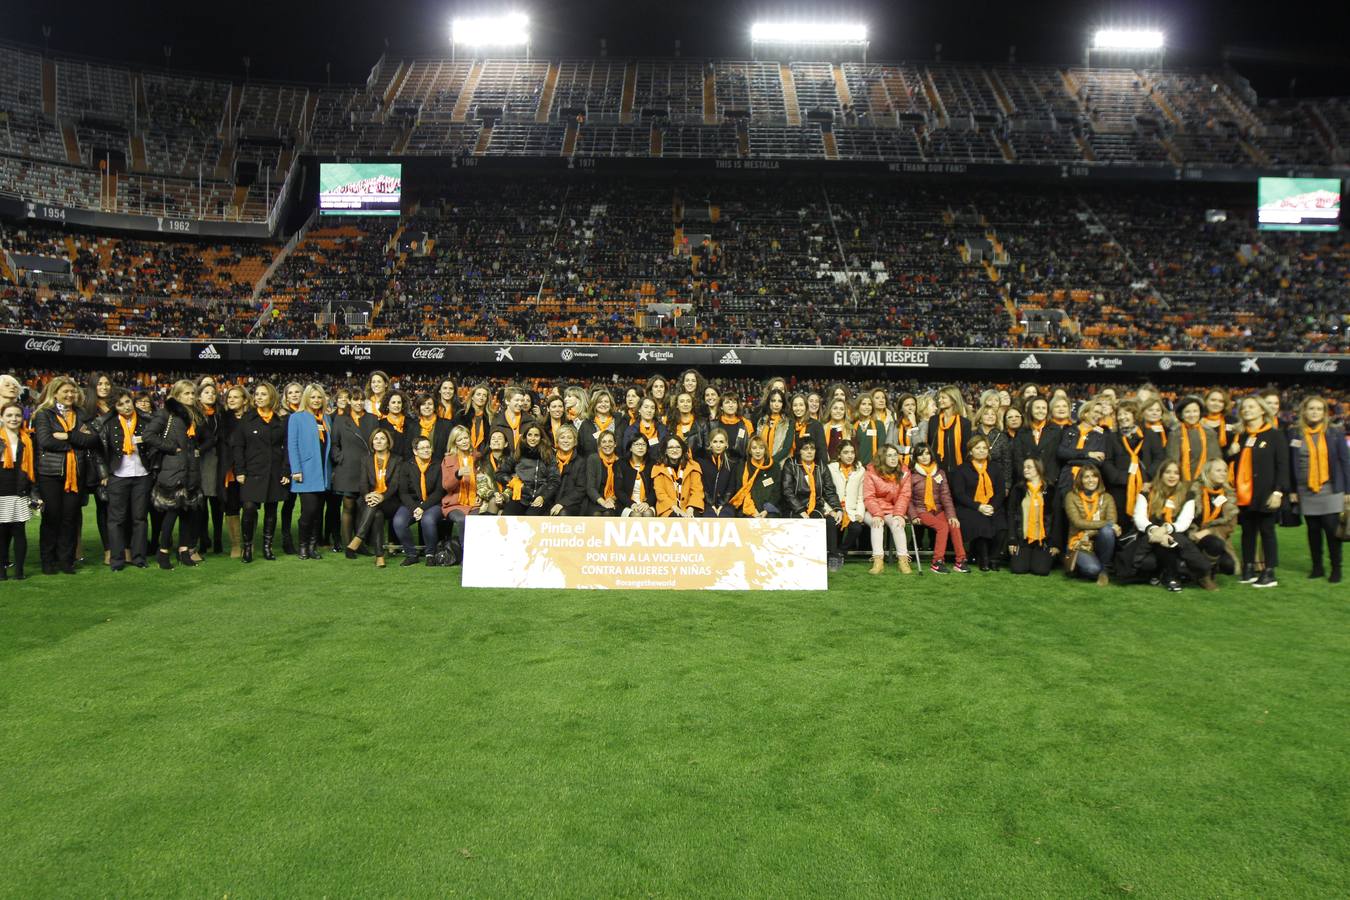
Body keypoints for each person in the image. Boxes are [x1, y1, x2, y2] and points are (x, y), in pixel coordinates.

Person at [32, 376, 100, 574]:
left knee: (70, 518)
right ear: (55, 393)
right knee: (52, 517)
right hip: (50, 473)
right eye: (65, 392)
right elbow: (46, 441)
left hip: (76, 473)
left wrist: (68, 436)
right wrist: (78, 441)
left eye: (73, 391)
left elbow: (93, 440)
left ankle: (66, 561)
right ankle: (48, 561)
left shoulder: (81, 413)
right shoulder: (44, 414)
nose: (70, 395)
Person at [1228, 395, 1289, 588]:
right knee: (1247, 532)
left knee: (1267, 531)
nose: (1247, 410)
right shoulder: (1241, 436)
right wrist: (1230, 453)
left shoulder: (1274, 435)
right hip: (1244, 494)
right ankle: (1248, 568)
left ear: (1262, 410)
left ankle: (1269, 571)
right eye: (1244, 407)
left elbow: (1283, 466)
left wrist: (1278, 492)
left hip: (1266, 493)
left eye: (1251, 407)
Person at [144, 379, 206, 569]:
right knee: (171, 513)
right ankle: (163, 552)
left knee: (188, 513)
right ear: (177, 395)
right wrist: (171, 448)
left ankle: (184, 550)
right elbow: (148, 435)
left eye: (192, 393)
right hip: (173, 470)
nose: (190, 397)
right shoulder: (166, 413)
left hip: (191, 470)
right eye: (186, 393)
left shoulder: (195, 414)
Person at [1130, 459, 1215, 592]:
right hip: (1150, 537)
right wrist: (1154, 530)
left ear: (1180, 476)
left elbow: (1184, 522)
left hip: (1176, 536)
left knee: (1170, 541)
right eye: (1168, 472)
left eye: (1176, 473)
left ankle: (1171, 576)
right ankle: (1180, 574)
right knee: (1149, 562)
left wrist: (1165, 529)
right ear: (1161, 474)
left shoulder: (1188, 495)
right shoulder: (1146, 492)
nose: (1172, 476)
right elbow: (1139, 518)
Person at [1289, 395, 1347, 583]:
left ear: (1325, 413)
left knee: (1332, 530)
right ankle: (1317, 567)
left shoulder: (1335, 432)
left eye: (1319, 409)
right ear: (1304, 411)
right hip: (1305, 490)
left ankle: (1336, 568)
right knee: (1313, 530)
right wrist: (1292, 489)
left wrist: (1348, 491)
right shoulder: (1295, 433)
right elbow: (1292, 463)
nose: (1315, 412)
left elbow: (1345, 462)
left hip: (1330, 488)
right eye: (1311, 408)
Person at [232, 382, 290, 563]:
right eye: (257, 394)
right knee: (249, 508)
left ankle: (267, 547)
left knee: (271, 510)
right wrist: (240, 471)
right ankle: (247, 547)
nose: (258, 397)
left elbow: (286, 448)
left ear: (271, 397)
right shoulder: (246, 420)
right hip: (251, 472)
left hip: (274, 472)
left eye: (263, 394)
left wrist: (286, 471)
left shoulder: (279, 421)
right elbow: (238, 447)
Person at [98, 389, 152, 571]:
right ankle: (117, 560)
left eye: (128, 401)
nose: (126, 406)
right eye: (120, 404)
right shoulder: (109, 423)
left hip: (142, 475)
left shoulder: (146, 421)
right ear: (115, 407)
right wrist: (104, 473)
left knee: (140, 518)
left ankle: (139, 558)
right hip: (118, 475)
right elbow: (100, 451)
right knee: (116, 520)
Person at [780, 439, 845, 571]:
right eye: (805, 449)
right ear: (799, 451)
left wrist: (837, 508)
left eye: (812, 448)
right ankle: (800, 558)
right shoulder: (791, 464)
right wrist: (800, 510)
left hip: (815, 506)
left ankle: (832, 556)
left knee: (830, 521)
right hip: (794, 507)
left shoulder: (821, 465)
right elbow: (787, 491)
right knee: (801, 522)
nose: (809, 451)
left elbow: (829, 490)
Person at [287, 384, 333, 560]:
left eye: (319, 397)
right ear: (306, 398)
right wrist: (296, 470)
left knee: (317, 512)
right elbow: (293, 445)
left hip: (323, 471)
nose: (316, 400)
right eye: (313, 397)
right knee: (308, 511)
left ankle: (313, 547)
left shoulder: (326, 419)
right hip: (306, 472)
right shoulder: (297, 418)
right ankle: (303, 546)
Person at [907, 443, 969, 574]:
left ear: (931, 454)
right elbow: (908, 498)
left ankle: (960, 561)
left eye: (927, 453)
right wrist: (914, 516)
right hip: (921, 511)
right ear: (916, 457)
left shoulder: (939, 473)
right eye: (920, 454)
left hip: (938, 510)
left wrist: (952, 515)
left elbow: (946, 496)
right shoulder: (911, 475)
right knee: (942, 527)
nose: (924, 457)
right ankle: (937, 562)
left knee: (953, 524)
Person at [347, 428, 402, 567]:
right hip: (370, 500)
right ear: (372, 442)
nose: (379, 441)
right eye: (376, 439)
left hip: (390, 500)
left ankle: (359, 537)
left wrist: (382, 497)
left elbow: (395, 485)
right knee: (377, 515)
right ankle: (379, 556)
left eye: (382, 438)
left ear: (388, 442)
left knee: (376, 508)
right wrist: (368, 496)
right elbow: (363, 483)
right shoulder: (366, 459)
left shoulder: (397, 460)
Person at [952, 434, 1006, 572]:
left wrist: (992, 507)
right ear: (971, 451)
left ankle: (994, 558)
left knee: (1001, 524)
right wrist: (979, 507)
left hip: (992, 505)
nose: (982, 451)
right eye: (978, 448)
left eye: (984, 448)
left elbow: (1000, 492)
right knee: (980, 522)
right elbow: (959, 495)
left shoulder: (995, 468)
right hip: (969, 507)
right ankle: (984, 559)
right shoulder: (961, 469)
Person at [0, 400, 40, 581]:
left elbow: (32, 469)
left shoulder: (27, 440)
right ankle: (1, 572)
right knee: (1, 534)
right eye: (9, 415)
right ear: (2, 418)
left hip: (19, 491)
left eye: (17, 415)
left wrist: (33, 492)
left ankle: (19, 572)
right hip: (1, 492)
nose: (13, 418)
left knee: (19, 532)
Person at [1104, 400, 1158, 529]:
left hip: (1145, 487)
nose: (1123, 417)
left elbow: (1159, 458)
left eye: (1127, 413)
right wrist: (1122, 478)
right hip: (1120, 488)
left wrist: (1147, 479)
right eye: (1120, 414)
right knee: (1121, 524)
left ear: (1135, 415)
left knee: (1145, 522)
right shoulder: (1112, 437)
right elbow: (1107, 461)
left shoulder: (1149, 434)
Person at [394, 435, 446, 566]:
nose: (426, 450)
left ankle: (430, 554)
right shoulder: (406, 466)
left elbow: (439, 491)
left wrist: (423, 507)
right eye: (422, 448)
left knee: (427, 520)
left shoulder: (439, 464)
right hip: (412, 503)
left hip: (433, 503)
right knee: (399, 522)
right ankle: (411, 554)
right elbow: (403, 492)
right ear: (415, 451)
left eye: (428, 447)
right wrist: (415, 508)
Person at [1064, 464, 1119, 585]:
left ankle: (1104, 571)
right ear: (1080, 480)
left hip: (1099, 541)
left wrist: (1091, 532)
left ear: (1099, 479)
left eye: (1094, 476)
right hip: (1079, 542)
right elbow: (1077, 522)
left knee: (1108, 531)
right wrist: (1106, 523)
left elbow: (1112, 522)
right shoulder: (1071, 497)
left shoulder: (1107, 497)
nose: (1091, 480)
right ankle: (1083, 566)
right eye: (1086, 477)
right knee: (1092, 570)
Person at [862, 443, 912, 574]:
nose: (894, 458)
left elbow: (904, 495)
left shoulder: (904, 472)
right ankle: (878, 561)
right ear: (882, 458)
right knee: (877, 524)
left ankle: (903, 560)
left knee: (897, 524)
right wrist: (877, 514)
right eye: (889, 455)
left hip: (893, 509)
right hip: (873, 509)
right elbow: (869, 496)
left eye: (895, 455)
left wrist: (899, 514)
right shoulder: (871, 472)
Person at [1188, 458, 1239, 579]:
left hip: (1216, 538)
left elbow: (1230, 526)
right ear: (1207, 472)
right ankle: (1204, 571)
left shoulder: (1229, 494)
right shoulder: (1193, 490)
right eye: (1218, 470)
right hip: (1192, 536)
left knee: (1229, 566)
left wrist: (1209, 531)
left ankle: (1208, 564)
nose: (1223, 473)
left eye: (1225, 470)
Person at [1008, 457, 1057, 577]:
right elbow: (1011, 514)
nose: (1025, 470)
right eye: (1024, 467)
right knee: (1018, 569)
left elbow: (1057, 518)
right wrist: (1012, 540)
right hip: (1022, 539)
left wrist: (1055, 544)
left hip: (1042, 540)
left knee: (1041, 571)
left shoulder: (1051, 490)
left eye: (1029, 467)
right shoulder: (1018, 489)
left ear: (1038, 468)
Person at [502, 422, 559, 516]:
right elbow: (500, 473)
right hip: (520, 496)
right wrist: (513, 482)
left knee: (531, 519)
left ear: (541, 438)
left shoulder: (548, 454)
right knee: (507, 516)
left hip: (540, 498)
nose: (532, 438)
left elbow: (554, 480)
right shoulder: (518, 452)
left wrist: (543, 497)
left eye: (536, 435)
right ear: (525, 437)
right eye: (530, 435)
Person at [827, 439, 867, 556]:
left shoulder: (861, 470)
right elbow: (825, 493)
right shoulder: (831, 468)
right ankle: (832, 553)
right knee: (832, 524)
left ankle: (840, 551)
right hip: (834, 508)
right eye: (846, 452)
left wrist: (860, 513)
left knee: (856, 528)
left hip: (851, 510)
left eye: (852, 452)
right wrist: (830, 511)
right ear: (839, 454)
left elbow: (861, 495)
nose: (850, 456)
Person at [1168, 396, 1222, 483]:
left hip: (1206, 481)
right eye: (1187, 412)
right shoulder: (1175, 434)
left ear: (1200, 413)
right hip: (1181, 482)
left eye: (1195, 411)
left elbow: (1215, 459)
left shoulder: (1209, 433)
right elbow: (1172, 461)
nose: (1192, 415)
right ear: (1181, 414)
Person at [730, 435, 781, 518]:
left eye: (761, 448)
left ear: (765, 450)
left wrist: (766, 510)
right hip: (748, 507)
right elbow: (740, 490)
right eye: (754, 448)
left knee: (771, 519)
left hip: (769, 508)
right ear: (750, 450)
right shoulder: (742, 466)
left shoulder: (774, 466)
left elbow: (777, 491)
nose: (758, 451)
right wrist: (753, 511)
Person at [654, 435, 704, 518]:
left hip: (690, 506)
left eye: (678, 447)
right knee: (677, 519)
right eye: (670, 447)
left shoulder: (693, 466)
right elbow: (660, 493)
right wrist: (676, 509)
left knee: (693, 520)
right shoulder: (658, 468)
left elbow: (697, 490)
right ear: (665, 451)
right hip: (668, 508)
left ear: (682, 450)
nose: (674, 450)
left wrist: (690, 508)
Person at [926, 385, 971, 473]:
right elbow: (930, 444)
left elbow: (966, 451)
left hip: (957, 470)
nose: (939, 400)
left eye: (943, 398)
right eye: (939, 398)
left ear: (953, 400)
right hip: (935, 469)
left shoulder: (964, 423)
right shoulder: (933, 420)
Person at [613, 433, 656, 518]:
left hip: (647, 503)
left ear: (647, 448)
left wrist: (648, 503)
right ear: (630, 448)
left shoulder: (653, 464)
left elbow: (656, 489)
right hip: (626, 503)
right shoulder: (621, 464)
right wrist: (631, 504)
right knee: (636, 515)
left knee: (647, 513)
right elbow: (618, 490)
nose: (640, 447)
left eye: (643, 444)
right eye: (637, 444)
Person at [698, 428, 737, 519]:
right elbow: (702, 486)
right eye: (715, 442)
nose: (718, 445)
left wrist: (721, 505)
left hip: (726, 504)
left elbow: (731, 488)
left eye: (721, 442)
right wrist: (711, 505)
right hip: (707, 503)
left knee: (725, 516)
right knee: (709, 517)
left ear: (726, 444)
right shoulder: (702, 462)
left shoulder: (732, 463)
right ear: (710, 443)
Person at [549, 424, 588, 516]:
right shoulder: (550, 460)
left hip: (571, 503)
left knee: (563, 513)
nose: (566, 441)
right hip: (549, 501)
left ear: (575, 441)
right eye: (562, 437)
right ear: (557, 441)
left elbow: (580, 489)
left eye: (569, 438)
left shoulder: (581, 462)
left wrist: (561, 503)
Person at [585, 430, 623, 516]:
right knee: (596, 514)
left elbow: (622, 488)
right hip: (596, 500)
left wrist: (612, 499)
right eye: (604, 442)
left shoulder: (620, 461)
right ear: (599, 445)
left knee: (608, 513)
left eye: (610, 441)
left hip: (614, 500)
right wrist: (604, 502)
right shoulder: (593, 459)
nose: (607, 444)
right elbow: (590, 488)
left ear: (615, 444)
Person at [412, 394, 452, 468]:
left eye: (430, 404)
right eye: (423, 404)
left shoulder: (446, 425)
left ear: (434, 407)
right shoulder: (412, 426)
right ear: (419, 408)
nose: (427, 407)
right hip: (417, 467)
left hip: (441, 466)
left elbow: (451, 447)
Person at [578, 390, 618, 458]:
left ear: (611, 404)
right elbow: (580, 449)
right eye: (599, 402)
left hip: (616, 465)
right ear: (594, 404)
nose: (603, 404)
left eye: (606, 402)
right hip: (592, 465)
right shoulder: (586, 425)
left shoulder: (620, 422)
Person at [756, 388, 791, 465]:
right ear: (768, 403)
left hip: (779, 466)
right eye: (773, 401)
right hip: (761, 464)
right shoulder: (762, 421)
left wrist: (771, 462)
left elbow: (786, 448)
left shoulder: (788, 422)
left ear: (783, 404)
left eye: (780, 401)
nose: (776, 404)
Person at [456, 383, 492, 455]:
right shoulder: (461, 415)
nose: (481, 398)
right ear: (472, 397)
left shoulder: (491, 418)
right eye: (478, 394)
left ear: (487, 399)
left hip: (483, 456)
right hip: (463, 454)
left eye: (484, 395)